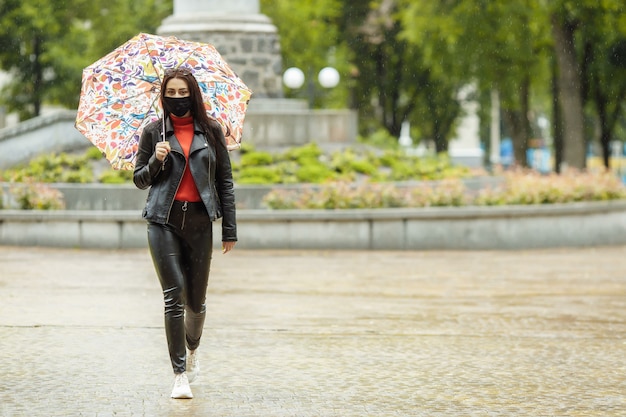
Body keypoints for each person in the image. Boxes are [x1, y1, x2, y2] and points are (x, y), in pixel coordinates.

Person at [133, 68, 237, 399]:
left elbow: (224, 181)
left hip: (200, 223)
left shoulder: (211, 131)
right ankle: (179, 374)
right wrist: (155, 161)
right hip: (162, 221)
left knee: (196, 301)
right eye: (171, 93)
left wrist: (229, 229)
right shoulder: (154, 133)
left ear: (193, 94)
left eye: (183, 92)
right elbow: (139, 179)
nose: (177, 99)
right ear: (162, 96)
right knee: (173, 296)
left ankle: (193, 347)